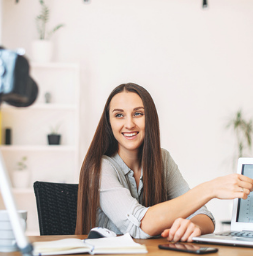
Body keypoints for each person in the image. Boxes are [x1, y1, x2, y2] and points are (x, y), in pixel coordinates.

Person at [75, 83, 253, 241]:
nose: (129, 124)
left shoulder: (163, 160)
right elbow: (139, 225)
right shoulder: (98, 168)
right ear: (109, 122)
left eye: (138, 114)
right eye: (119, 115)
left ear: (150, 118)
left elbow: (204, 215)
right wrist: (210, 189)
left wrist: (194, 226)